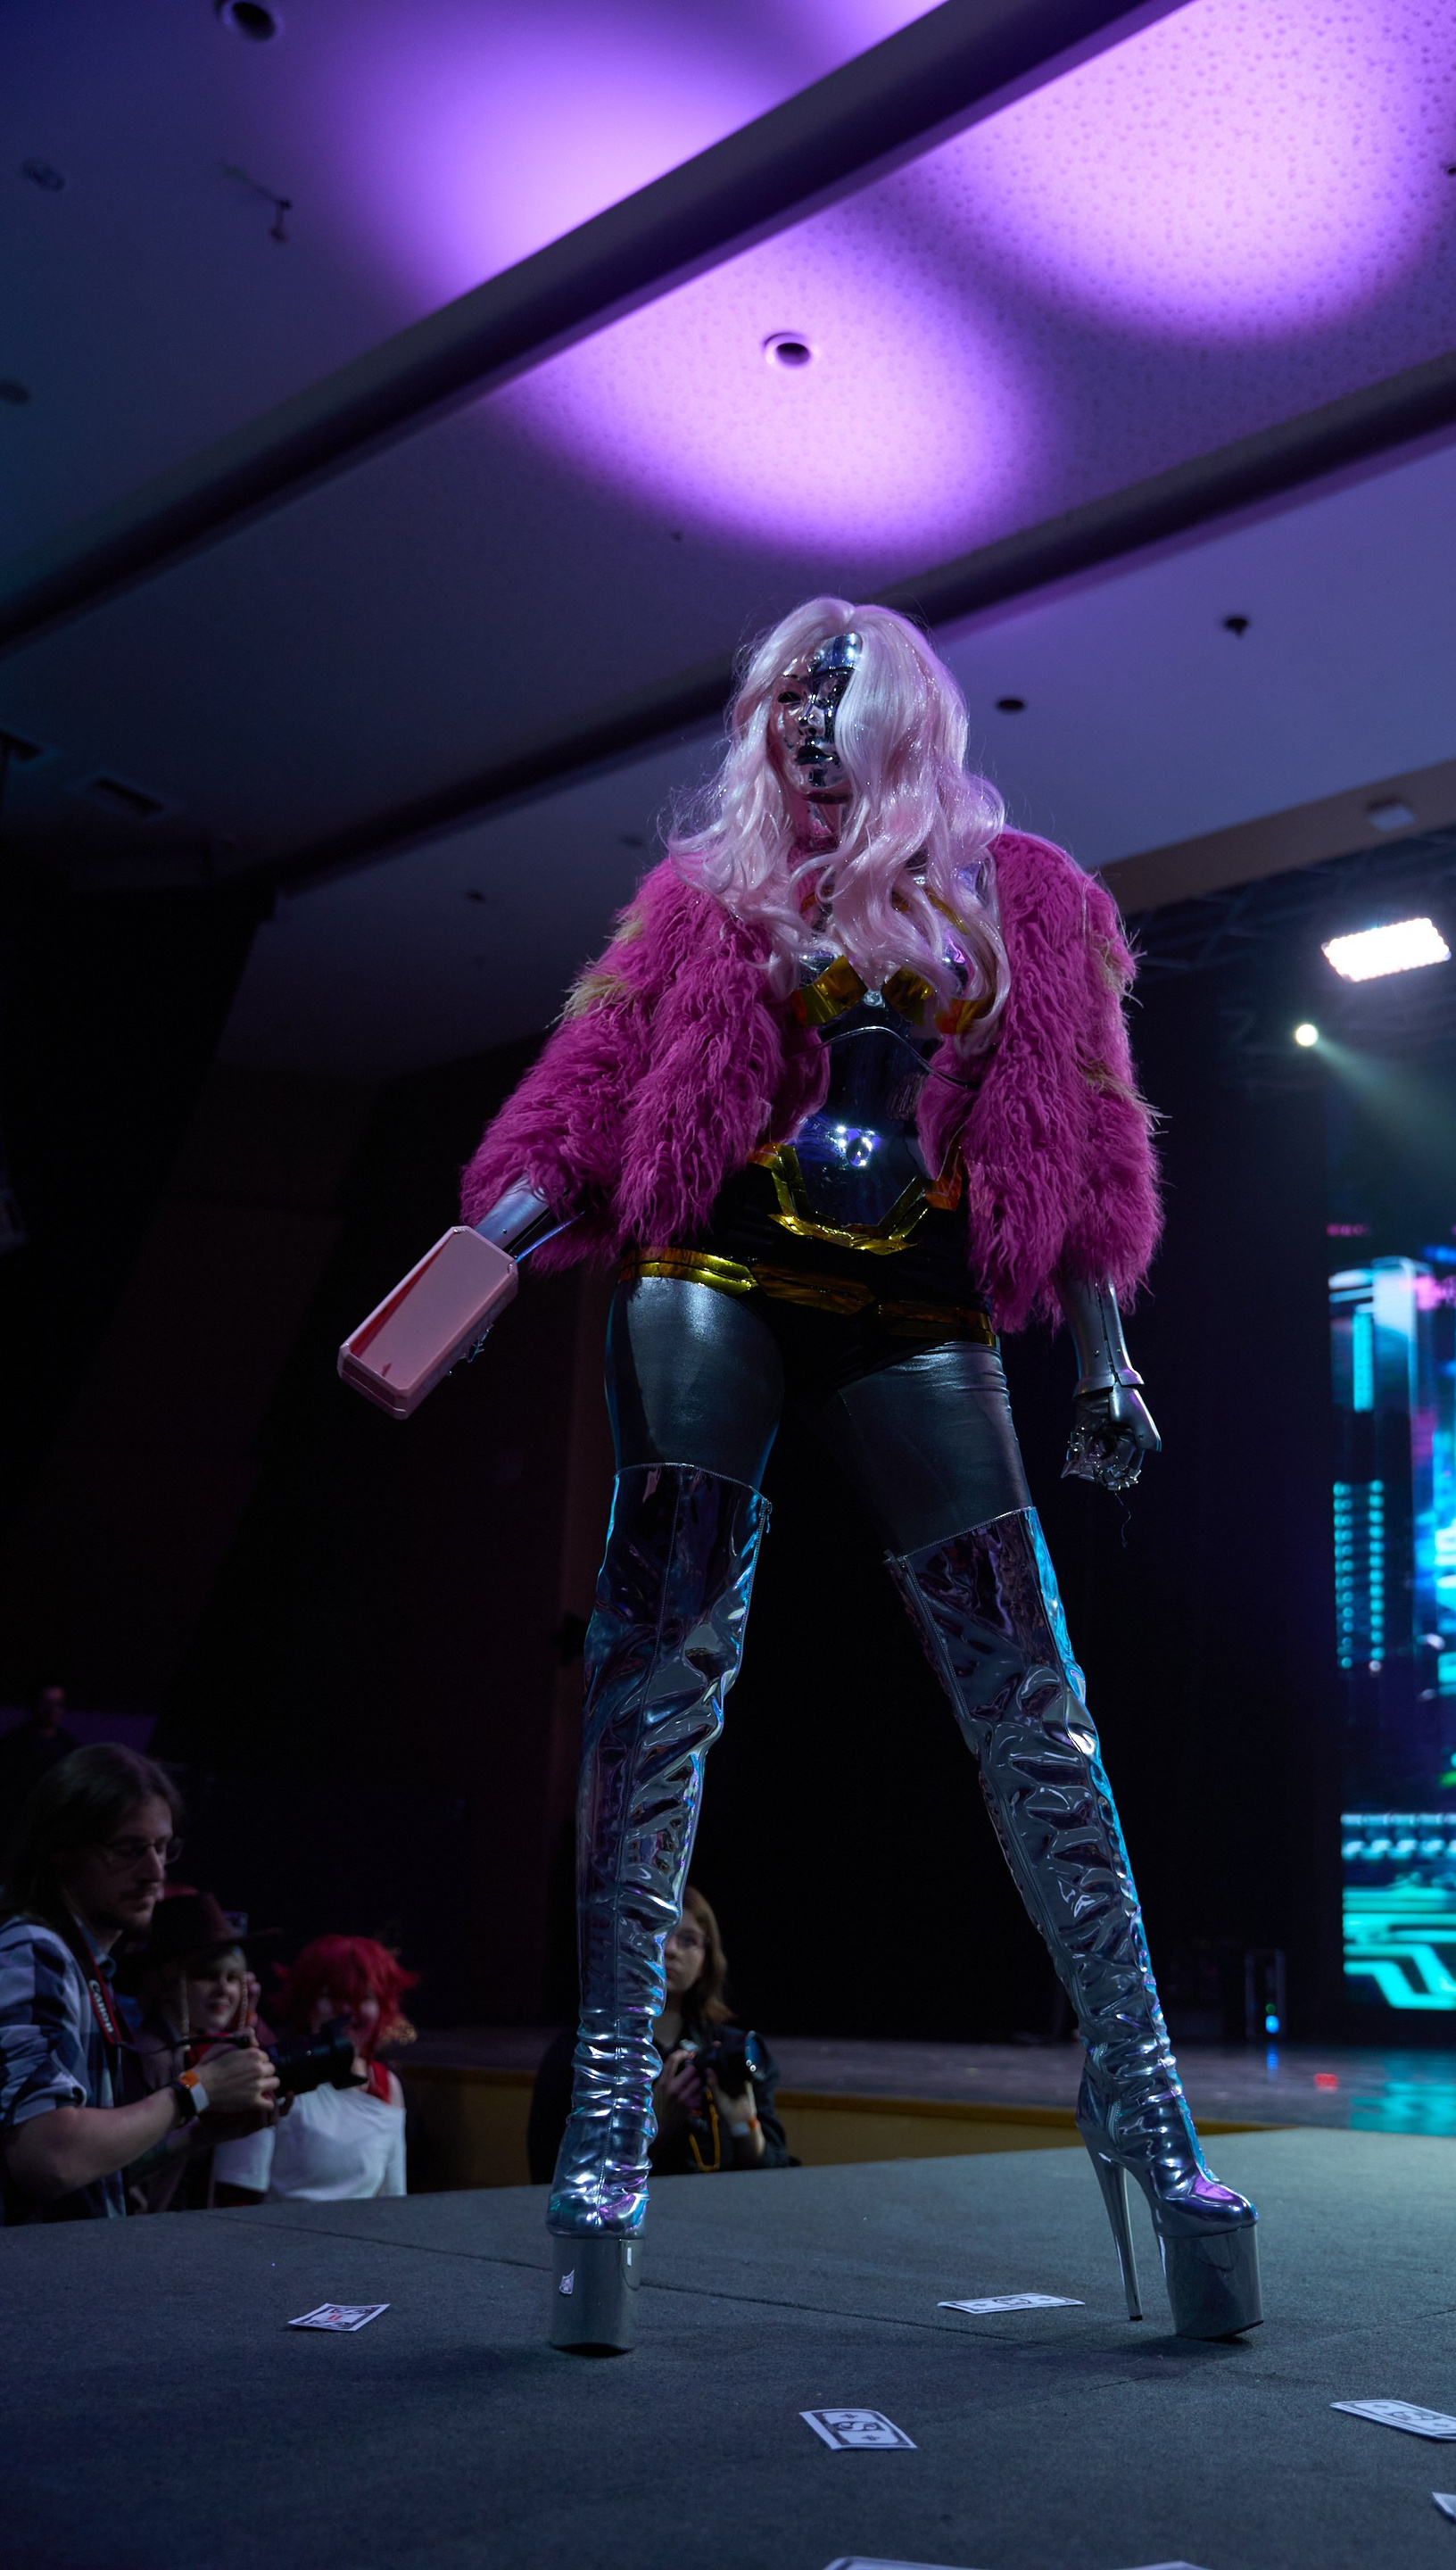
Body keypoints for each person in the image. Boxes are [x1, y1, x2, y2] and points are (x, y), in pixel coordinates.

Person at [385, 597, 1260, 2351]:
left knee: (1034, 1703)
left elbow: (1088, 1135)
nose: (801, 718)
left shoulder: (1031, 900)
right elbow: (590, 1091)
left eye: (833, 692)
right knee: (655, 1684)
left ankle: (1148, 2104)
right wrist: (475, 1265)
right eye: (784, 691)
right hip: (712, 1272)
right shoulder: (707, 894)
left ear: (904, 716)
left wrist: (1107, 1356)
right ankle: (610, 2119)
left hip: (920, 1298)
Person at [0, 1745, 277, 2223]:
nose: (155, 1873)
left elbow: (92, 2179)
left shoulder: (81, 1963)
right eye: (128, 1850)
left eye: (162, 1848)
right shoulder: (34, 1949)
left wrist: (197, 2135)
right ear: (61, 1850)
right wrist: (196, 2089)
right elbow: (50, 2158)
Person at [528, 1888, 790, 2185]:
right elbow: (553, 2179)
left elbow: (777, 2182)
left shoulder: (734, 2053)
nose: (671, 1950)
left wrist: (745, 2125)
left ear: (706, 1961)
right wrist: (656, 2127)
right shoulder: (584, 2052)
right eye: (658, 1933)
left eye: (688, 1940)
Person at [212, 1934, 415, 2204]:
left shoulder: (387, 2086)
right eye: (332, 1996)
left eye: (362, 1997)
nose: (347, 2009)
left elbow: (392, 2201)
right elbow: (237, 2197)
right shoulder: (270, 2076)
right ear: (306, 2003)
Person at [125, 1889, 273, 2213]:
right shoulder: (149, 2055)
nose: (224, 1990)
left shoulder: (196, 2050)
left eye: (233, 1978)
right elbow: (127, 2171)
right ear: (166, 1980)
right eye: (206, 1975)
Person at [0, 1683, 75, 1836]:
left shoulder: (69, 1746)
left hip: (55, 1825)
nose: (52, 1710)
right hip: (18, 1824)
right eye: (46, 1703)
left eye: (58, 1704)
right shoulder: (12, 1745)